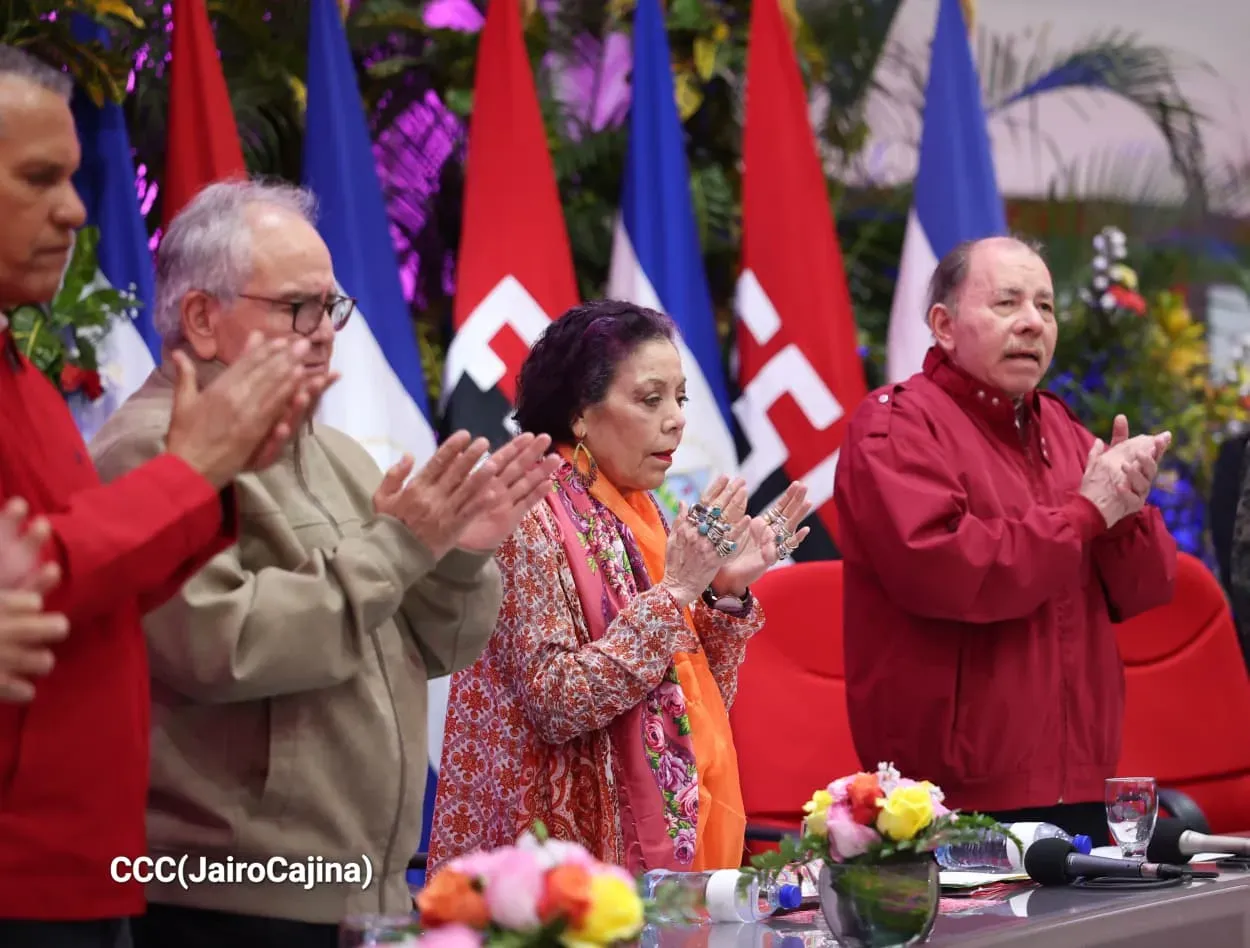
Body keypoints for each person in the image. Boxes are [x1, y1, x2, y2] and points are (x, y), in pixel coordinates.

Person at [89, 178, 558, 948]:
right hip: (228, 897)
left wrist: (459, 558)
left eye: (331, 309)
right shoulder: (149, 454)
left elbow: (435, 646)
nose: (324, 331)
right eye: (296, 307)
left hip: (359, 891)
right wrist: (400, 546)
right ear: (204, 319)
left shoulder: (335, 453)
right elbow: (223, 645)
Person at [0, 47, 332, 948]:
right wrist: (190, 473)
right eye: (37, 179)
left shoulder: (22, 374)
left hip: (89, 867)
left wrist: (202, 477)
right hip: (61, 866)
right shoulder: (138, 432)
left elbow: (85, 590)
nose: (75, 211)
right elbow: (53, 586)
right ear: (201, 318)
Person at [427, 300, 812, 875]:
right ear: (580, 414)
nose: (678, 418)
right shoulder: (528, 511)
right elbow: (558, 701)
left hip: (659, 837)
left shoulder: (640, 507)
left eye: (680, 398)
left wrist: (721, 594)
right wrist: (678, 589)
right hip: (555, 858)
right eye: (651, 398)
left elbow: (683, 706)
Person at [834, 236, 1177, 845]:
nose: (1031, 323)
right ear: (943, 325)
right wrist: (1084, 513)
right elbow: (947, 570)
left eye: (1045, 307)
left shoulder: (1063, 429)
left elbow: (1147, 589)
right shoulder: (895, 424)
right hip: (952, 800)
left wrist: (1125, 510)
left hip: (1082, 782)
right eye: (1007, 303)